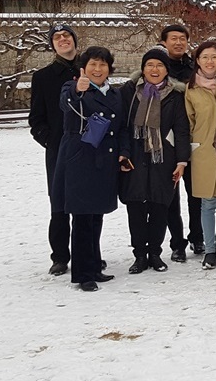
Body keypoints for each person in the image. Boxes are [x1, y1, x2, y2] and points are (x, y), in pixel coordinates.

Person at [55, 47, 124, 291]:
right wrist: (77, 89)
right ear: (83, 67)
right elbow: (66, 102)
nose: (98, 69)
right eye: (93, 64)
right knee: (82, 217)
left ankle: (95, 265)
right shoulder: (73, 88)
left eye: (103, 64)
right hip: (80, 158)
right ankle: (83, 273)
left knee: (96, 215)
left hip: (105, 160)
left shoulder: (114, 93)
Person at [119, 49, 191, 274]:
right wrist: (122, 153)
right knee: (136, 208)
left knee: (160, 207)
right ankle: (140, 255)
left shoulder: (175, 96)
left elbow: (181, 130)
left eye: (159, 65)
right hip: (135, 158)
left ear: (166, 70)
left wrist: (182, 161)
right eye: (149, 65)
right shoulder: (129, 93)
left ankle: (155, 254)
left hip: (164, 158)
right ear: (143, 68)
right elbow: (121, 125)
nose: (154, 69)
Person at [29, 23, 80, 276]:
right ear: (52, 44)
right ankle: (60, 255)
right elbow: (36, 120)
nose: (63, 40)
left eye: (67, 36)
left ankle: (88, 251)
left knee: (88, 205)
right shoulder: (43, 77)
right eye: (57, 37)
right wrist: (51, 141)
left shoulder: (92, 69)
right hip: (59, 151)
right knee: (59, 205)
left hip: (90, 150)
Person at [185, 41, 216, 270]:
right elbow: (188, 121)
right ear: (197, 60)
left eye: (214, 57)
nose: (210, 61)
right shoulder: (191, 89)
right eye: (205, 57)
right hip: (203, 150)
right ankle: (209, 250)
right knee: (207, 203)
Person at [157, 24, 202, 261]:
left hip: (194, 138)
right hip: (167, 140)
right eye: (173, 38)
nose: (178, 42)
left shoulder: (195, 67)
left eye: (182, 38)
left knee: (196, 193)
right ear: (164, 41)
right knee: (170, 195)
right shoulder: (157, 67)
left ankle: (198, 236)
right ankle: (177, 242)